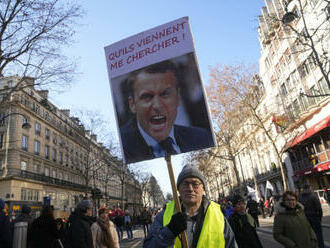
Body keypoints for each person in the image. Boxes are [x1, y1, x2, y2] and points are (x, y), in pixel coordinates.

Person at [120, 60, 214, 163]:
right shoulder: (123, 147)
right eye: (147, 96)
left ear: (178, 98)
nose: (157, 105)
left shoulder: (201, 138)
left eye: (165, 94)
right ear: (132, 104)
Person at [144, 165, 237, 248]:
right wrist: (169, 232)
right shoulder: (163, 216)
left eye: (195, 184)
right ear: (178, 189)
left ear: (203, 188)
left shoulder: (218, 215)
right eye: (185, 184)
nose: (190, 188)